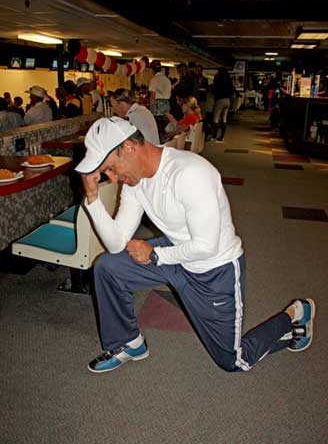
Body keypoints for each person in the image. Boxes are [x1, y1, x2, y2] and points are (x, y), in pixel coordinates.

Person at [75, 116, 315, 374]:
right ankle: (130, 343)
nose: (112, 177)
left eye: (111, 168)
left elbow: (206, 246)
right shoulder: (138, 182)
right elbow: (116, 244)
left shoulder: (190, 173)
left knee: (234, 361)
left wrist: (155, 255)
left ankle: (296, 314)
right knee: (108, 267)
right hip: (174, 254)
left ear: (130, 148)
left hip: (214, 269)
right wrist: (92, 199)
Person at [212, 67, 236, 142]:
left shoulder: (218, 79)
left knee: (215, 119)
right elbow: (233, 90)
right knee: (224, 119)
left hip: (220, 100)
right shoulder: (229, 80)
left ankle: (214, 136)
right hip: (227, 100)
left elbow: (215, 89)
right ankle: (222, 136)